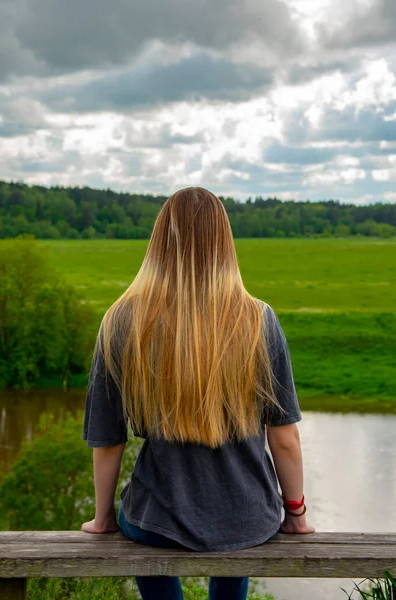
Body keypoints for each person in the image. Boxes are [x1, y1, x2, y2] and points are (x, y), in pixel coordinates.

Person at [81, 186, 315, 600]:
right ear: (225, 244)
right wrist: (294, 513)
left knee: (149, 542)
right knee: (237, 540)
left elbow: (107, 440)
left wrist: (103, 519)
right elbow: (285, 440)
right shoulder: (258, 320)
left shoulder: (120, 321)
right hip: (248, 518)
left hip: (155, 519)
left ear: (158, 243)